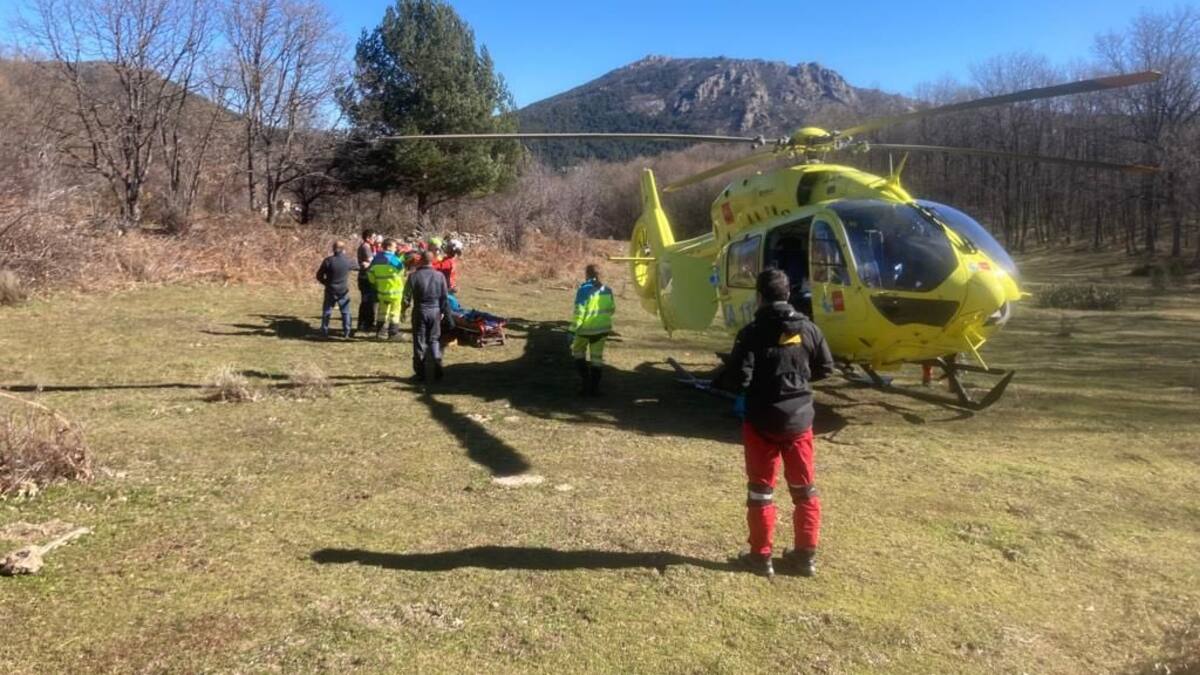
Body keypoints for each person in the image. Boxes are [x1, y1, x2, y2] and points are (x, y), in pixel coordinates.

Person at [729, 268, 835, 578]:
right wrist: (798, 379)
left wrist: (751, 387)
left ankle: (760, 557)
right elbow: (826, 367)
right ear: (788, 294)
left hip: (761, 420)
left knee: (760, 492)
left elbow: (738, 377)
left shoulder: (751, 332)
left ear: (759, 297)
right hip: (799, 420)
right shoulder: (810, 328)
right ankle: (805, 557)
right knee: (805, 490)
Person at [569, 264, 615, 396]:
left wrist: (572, 330)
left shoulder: (584, 290)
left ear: (587, 274)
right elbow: (612, 309)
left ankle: (585, 383)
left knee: (578, 353)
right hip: (602, 330)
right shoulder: (608, 290)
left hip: (585, 330)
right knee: (596, 358)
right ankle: (594, 388)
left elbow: (579, 312)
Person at [406, 249, 451, 381]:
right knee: (434, 339)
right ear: (433, 261)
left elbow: (406, 297)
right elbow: (444, 297)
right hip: (435, 310)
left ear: (421, 260)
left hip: (420, 310)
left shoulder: (413, 276)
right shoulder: (440, 276)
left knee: (420, 340)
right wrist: (443, 312)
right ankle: (437, 363)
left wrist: (403, 309)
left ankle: (420, 372)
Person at [315, 240, 355, 338]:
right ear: (343, 249)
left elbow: (319, 275)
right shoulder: (348, 261)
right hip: (343, 290)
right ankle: (347, 331)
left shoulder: (328, 261)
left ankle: (324, 330)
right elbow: (359, 266)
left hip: (330, 289)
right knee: (345, 311)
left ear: (333, 249)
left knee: (327, 311)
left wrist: (325, 283)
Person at [367, 239, 405, 340]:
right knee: (395, 312)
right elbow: (402, 271)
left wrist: (376, 282)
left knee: (382, 312)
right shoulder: (393, 259)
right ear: (388, 247)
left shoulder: (376, 259)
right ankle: (393, 333)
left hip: (382, 291)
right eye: (394, 246)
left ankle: (380, 332)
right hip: (395, 291)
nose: (396, 248)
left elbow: (370, 274)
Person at [356, 229, 381, 335]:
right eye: (373, 237)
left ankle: (369, 323)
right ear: (367, 238)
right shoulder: (365, 247)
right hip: (365, 278)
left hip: (369, 277)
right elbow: (372, 261)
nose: (375, 239)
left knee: (371, 301)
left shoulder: (370, 247)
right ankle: (363, 324)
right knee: (366, 301)